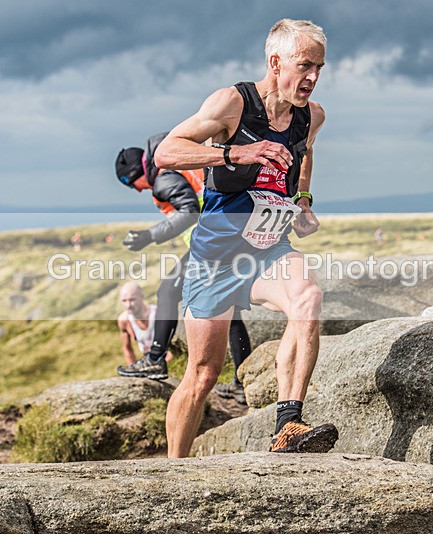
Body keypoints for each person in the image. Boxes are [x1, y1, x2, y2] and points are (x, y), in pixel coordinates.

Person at [154, 19, 337, 457]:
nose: (313, 77)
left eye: (320, 68)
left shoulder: (311, 116)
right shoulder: (232, 104)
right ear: (275, 62)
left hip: (267, 247)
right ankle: (171, 471)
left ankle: (287, 424)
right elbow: (165, 153)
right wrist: (236, 152)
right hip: (215, 257)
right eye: (305, 65)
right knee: (203, 374)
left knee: (307, 297)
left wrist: (304, 200)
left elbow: (304, 152)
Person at [114, 137, 252, 392]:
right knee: (232, 313)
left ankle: (155, 359)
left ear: (137, 172)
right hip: (231, 233)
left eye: (133, 184)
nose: (139, 190)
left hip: (213, 242)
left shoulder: (164, 178)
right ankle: (243, 385)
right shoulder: (179, 164)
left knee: (167, 290)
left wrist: (149, 236)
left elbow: (189, 212)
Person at [117, 282, 160, 366]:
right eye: (124, 301)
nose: (128, 305)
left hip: (167, 360)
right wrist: (133, 368)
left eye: (132, 300)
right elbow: (127, 348)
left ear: (142, 297)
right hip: (148, 362)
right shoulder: (124, 320)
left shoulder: (158, 314)